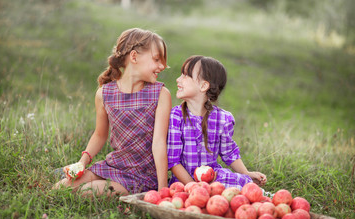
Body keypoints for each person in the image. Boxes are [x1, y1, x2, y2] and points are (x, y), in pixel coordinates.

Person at [54, 28, 172, 196]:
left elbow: (159, 143)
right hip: (113, 166)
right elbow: (99, 135)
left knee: (86, 191)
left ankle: (102, 185)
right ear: (134, 57)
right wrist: (82, 162)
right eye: (156, 59)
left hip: (141, 176)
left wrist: (162, 189)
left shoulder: (160, 94)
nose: (162, 66)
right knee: (60, 188)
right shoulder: (104, 94)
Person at [167, 55, 266, 190]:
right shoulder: (176, 117)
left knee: (239, 182)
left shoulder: (222, 119)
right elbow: (173, 160)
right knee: (182, 191)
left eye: (185, 75)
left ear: (203, 86)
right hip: (184, 181)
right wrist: (193, 186)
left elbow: (229, 152)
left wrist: (245, 173)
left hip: (212, 177)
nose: (178, 79)